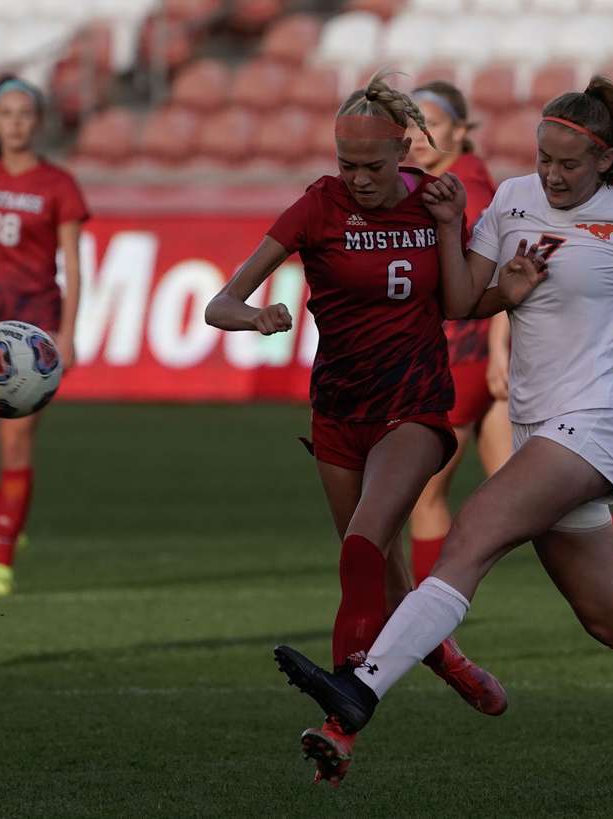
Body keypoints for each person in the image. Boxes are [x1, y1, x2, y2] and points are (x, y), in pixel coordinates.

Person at [274, 77, 613, 804]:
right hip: (534, 429)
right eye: (544, 157)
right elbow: (462, 301)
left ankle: (358, 692)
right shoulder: (513, 198)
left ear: (606, 160)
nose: (552, 173)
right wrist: (466, 242)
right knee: (611, 619)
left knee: (467, 539)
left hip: (593, 426)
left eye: (569, 164)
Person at [206, 71, 513, 786]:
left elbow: (463, 300)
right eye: (348, 164)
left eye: (372, 166)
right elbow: (223, 301)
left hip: (414, 406)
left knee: (362, 543)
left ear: (405, 151)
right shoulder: (318, 205)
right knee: (391, 575)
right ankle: (446, 657)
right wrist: (255, 316)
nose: (358, 178)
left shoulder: (436, 202)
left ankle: (342, 726)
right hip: (338, 412)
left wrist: (482, 257)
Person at [408, 81, 613, 618]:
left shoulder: (474, 188)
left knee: (428, 497)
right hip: (493, 361)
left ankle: (429, 629)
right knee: (524, 486)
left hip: (465, 357)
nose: (418, 139)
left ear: (462, 132)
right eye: (411, 128)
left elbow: (508, 269)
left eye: (432, 126)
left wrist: (497, 351)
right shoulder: (473, 184)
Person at [0, 75, 89, 597]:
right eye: (5, 113)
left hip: (32, 329)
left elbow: (72, 266)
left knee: (13, 438)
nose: (14, 122)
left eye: (24, 113)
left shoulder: (58, 185)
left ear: (38, 122)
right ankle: (1, 528)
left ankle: (1, 558)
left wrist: (67, 333)